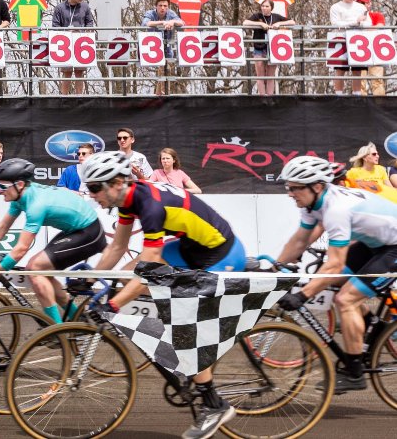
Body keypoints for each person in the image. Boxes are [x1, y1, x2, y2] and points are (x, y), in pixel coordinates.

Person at [79, 150, 243, 438]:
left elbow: (150, 267)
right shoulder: (129, 199)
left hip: (218, 253)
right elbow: (117, 248)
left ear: (116, 182)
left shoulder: (150, 206)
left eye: (94, 188)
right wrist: (90, 280)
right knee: (129, 278)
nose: (92, 195)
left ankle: (213, 403)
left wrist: (114, 304)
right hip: (190, 246)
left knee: (185, 328)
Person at [273, 156, 397, 393]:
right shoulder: (313, 204)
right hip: (377, 245)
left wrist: (302, 295)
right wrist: (274, 268)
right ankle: (368, 323)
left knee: (345, 299)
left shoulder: (336, 209)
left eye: (295, 188)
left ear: (316, 186)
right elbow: (300, 240)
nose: (290, 193)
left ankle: (354, 372)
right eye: (288, 187)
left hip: (394, 248)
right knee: (334, 285)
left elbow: (336, 264)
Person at [0, 159, 106, 324]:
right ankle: (80, 321)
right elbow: (1, 228)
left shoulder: (36, 205)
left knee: (35, 268)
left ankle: (57, 331)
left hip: (89, 233)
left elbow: (21, 248)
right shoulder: (20, 196)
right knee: (44, 273)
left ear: (20, 184)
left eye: (3, 186)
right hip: (76, 230)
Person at [243, 0, 295, 96]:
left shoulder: (276, 17)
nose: (264, 8)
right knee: (260, 75)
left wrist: (280, 24)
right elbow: (245, 23)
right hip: (259, 48)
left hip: (273, 49)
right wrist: (260, 24)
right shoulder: (257, 16)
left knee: (270, 75)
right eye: (263, 6)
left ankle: (270, 96)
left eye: (267, 6)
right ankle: (262, 97)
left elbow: (292, 22)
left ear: (271, 7)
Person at [52, 0, 95, 95]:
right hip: (65, 42)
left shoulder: (85, 6)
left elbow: (89, 22)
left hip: (81, 42)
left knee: (79, 71)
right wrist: (66, 32)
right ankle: (64, 97)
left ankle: (79, 96)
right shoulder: (59, 8)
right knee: (67, 72)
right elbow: (55, 25)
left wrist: (87, 32)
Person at [330, 0, 372, 95]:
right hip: (341, 40)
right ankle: (338, 95)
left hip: (358, 41)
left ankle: (357, 95)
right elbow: (335, 24)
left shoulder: (361, 7)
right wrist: (355, 22)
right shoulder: (335, 7)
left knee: (357, 70)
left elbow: (369, 23)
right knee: (340, 70)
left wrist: (360, 24)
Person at [142, 0, 184, 95]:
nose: (163, 8)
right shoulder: (150, 13)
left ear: (168, 7)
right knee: (161, 71)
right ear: (156, 7)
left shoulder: (170, 13)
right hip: (152, 47)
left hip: (167, 47)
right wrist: (162, 23)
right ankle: (163, 94)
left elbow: (182, 22)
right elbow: (145, 23)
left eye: (165, 6)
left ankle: (162, 94)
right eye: (160, 5)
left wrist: (172, 22)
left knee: (167, 71)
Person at [359, 0, 387, 96]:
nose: (361, 5)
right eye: (359, 3)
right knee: (360, 81)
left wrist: (363, 28)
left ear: (369, 4)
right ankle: (360, 107)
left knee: (377, 80)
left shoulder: (377, 15)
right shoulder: (355, 18)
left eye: (363, 3)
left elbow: (379, 26)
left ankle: (380, 106)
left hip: (375, 50)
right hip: (360, 51)